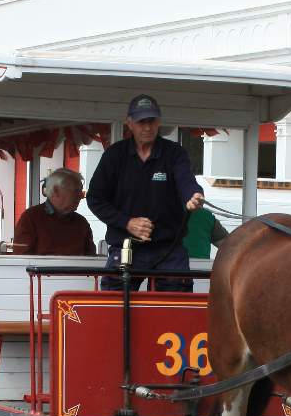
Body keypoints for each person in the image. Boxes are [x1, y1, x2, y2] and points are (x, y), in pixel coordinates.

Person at [86, 94, 205, 291]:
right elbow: (95, 198)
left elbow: (187, 182)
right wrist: (127, 223)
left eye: (152, 121)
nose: (147, 127)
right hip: (124, 247)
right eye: (142, 122)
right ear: (130, 123)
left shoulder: (174, 153)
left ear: (159, 122)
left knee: (175, 312)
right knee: (112, 310)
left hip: (169, 249)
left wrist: (193, 197)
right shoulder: (115, 155)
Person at [13, 167, 96, 256]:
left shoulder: (81, 222)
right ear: (56, 191)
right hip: (41, 269)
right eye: (76, 190)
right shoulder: (31, 218)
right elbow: (21, 258)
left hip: (76, 270)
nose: (81, 196)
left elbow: (90, 258)